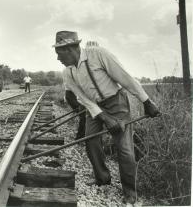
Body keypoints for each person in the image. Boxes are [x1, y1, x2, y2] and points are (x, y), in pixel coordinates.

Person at [53, 31, 160, 205]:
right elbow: (83, 98)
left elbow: (125, 78)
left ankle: (130, 191)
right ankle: (103, 178)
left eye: (59, 53)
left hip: (116, 102)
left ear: (71, 48)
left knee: (124, 148)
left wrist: (147, 101)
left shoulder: (99, 54)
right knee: (91, 141)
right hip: (93, 107)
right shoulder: (67, 73)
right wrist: (104, 118)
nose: (58, 58)